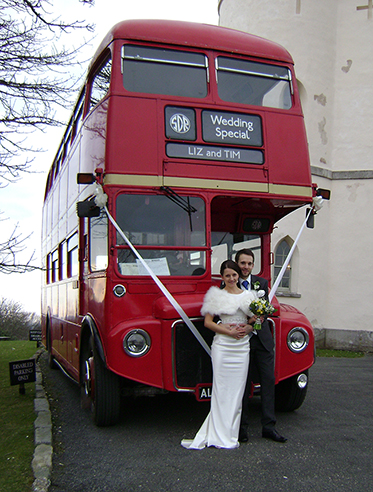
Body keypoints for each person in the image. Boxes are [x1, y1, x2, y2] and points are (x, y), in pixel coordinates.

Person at [181, 260, 257, 449]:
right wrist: (228, 332)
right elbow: (208, 322)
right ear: (222, 278)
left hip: (241, 348)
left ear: (238, 275)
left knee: (237, 392)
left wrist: (249, 327)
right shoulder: (216, 296)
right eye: (227, 275)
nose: (231, 278)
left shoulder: (249, 296)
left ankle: (230, 434)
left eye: (234, 274)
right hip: (223, 346)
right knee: (221, 390)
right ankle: (217, 433)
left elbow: (256, 320)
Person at [235, 248, 287, 443]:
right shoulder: (230, 283)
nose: (246, 267)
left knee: (267, 382)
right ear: (237, 263)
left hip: (263, 341)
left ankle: (269, 427)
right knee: (243, 385)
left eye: (249, 263)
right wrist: (247, 324)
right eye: (242, 263)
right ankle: (242, 428)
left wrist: (259, 319)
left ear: (253, 265)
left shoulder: (262, 283)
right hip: (241, 341)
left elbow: (266, 311)